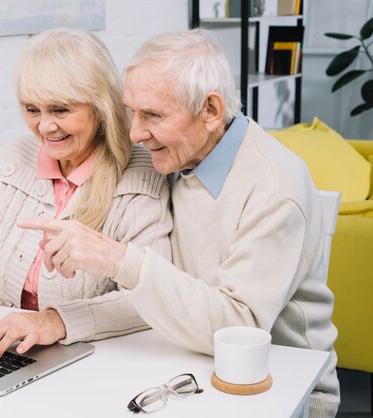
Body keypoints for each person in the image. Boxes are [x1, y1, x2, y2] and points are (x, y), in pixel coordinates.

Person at [20, 29, 339, 417]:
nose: (136, 133)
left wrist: (120, 259)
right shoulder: (178, 154)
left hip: (280, 384)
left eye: (152, 115)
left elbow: (237, 331)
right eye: (131, 111)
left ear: (210, 110)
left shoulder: (274, 187)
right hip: (183, 362)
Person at [0, 28, 171, 361]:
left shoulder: (140, 174)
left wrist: (54, 321)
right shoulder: (13, 158)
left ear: (99, 107)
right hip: (3, 347)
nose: (45, 127)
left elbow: (151, 294)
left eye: (60, 110)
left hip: (89, 357)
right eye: (32, 110)